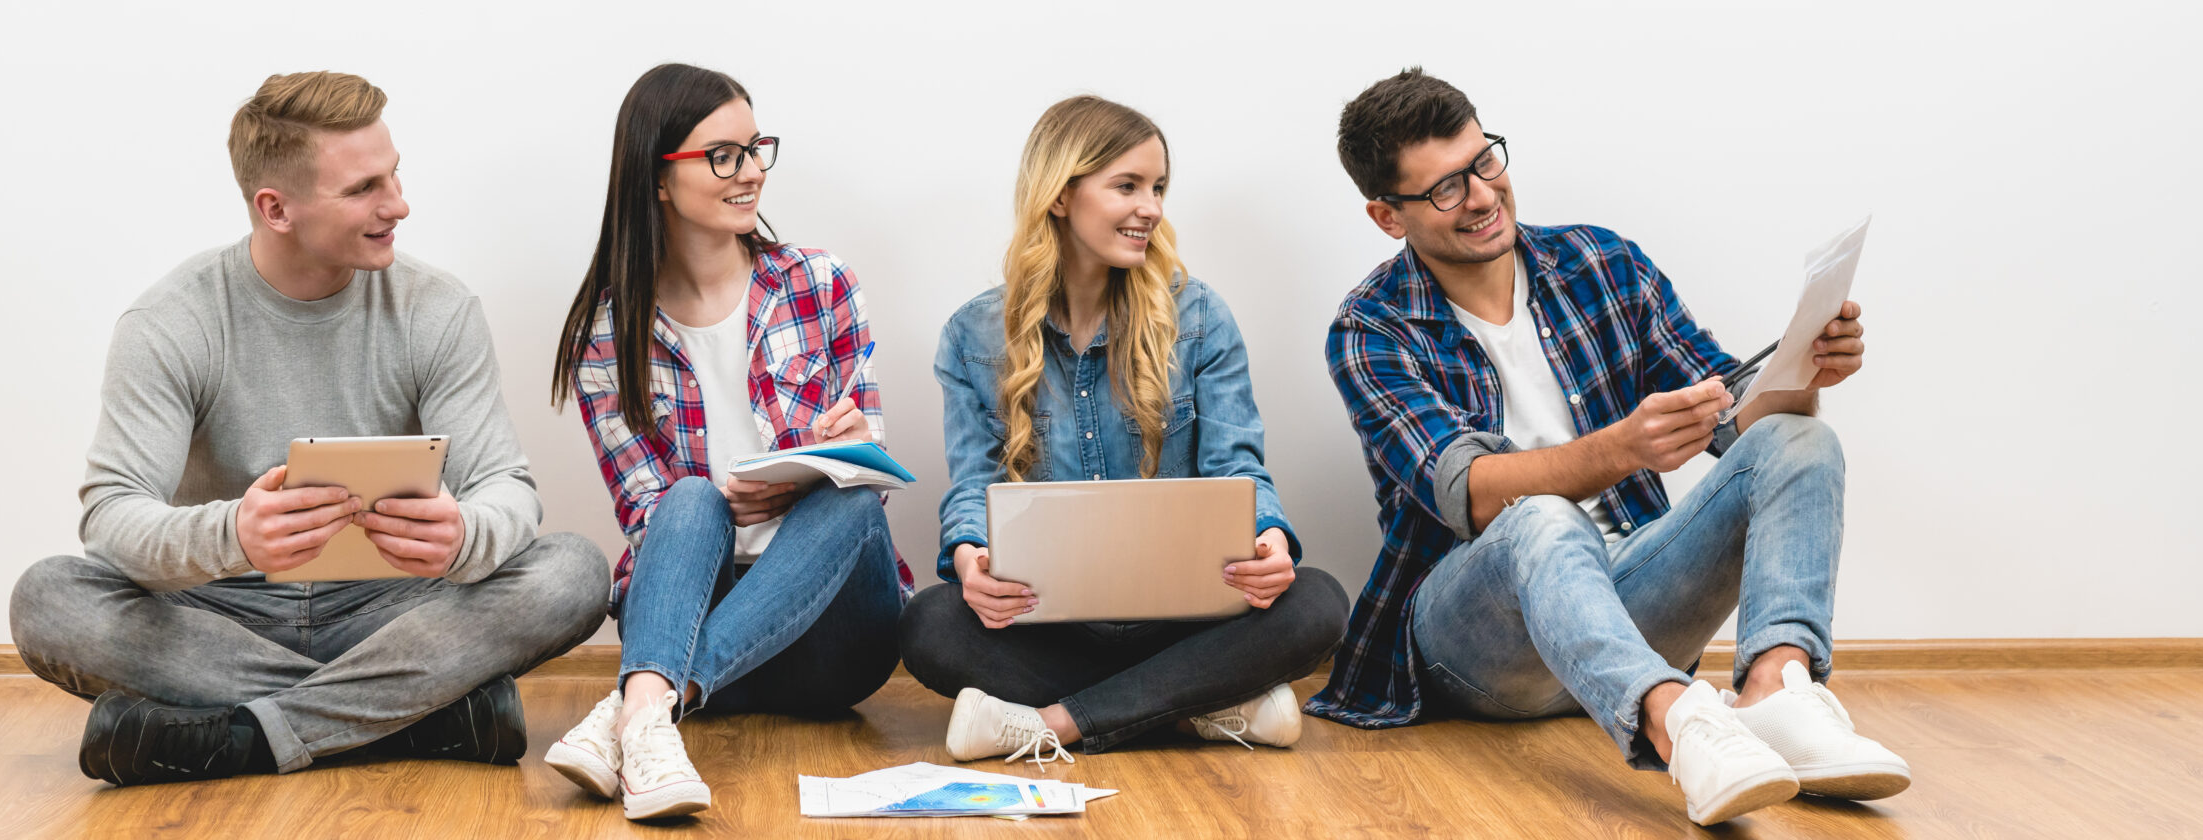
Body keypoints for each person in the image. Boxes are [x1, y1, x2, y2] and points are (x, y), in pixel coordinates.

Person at [1310, 68, 1909, 825]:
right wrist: (1624, 447)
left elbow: (1738, 424)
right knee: (1536, 515)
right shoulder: (1371, 328)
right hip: (1479, 641)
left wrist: (1804, 371)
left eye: (1484, 162)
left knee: (1801, 438)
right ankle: (1678, 723)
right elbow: (1470, 494)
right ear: (1387, 216)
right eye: (1444, 190)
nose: (1484, 197)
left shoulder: (1601, 263)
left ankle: (1775, 694)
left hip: (1626, 603)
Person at [6, 72, 609, 786]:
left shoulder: (436, 308)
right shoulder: (172, 321)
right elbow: (111, 517)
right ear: (276, 208)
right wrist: (234, 535)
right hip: (221, 609)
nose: (399, 204)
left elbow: (504, 485)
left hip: (393, 604)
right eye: (363, 190)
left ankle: (248, 738)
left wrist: (464, 534)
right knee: (48, 598)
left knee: (573, 570)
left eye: (393, 175)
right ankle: (421, 714)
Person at [899, 94, 1348, 768]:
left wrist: (1269, 539)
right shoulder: (974, 334)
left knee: (1318, 602)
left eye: (1159, 188)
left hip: (1189, 621)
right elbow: (975, 486)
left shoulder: (1198, 316)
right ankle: (1204, 707)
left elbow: (1239, 467)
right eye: (1128, 186)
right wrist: (972, 563)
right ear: (1060, 195)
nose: (1153, 208)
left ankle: (1054, 722)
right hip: (1053, 625)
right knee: (929, 623)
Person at [541, 63, 908, 822]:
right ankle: (658, 709)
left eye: (754, 149)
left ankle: (635, 704)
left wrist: (848, 447)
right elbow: (649, 517)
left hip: (834, 637)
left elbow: (873, 455)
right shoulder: (606, 335)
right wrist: (729, 506)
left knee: (852, 503)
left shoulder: (820, 282)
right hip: (700, 616)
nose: (749, 174)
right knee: (686, 496)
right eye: (723, 156)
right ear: (658, 180)